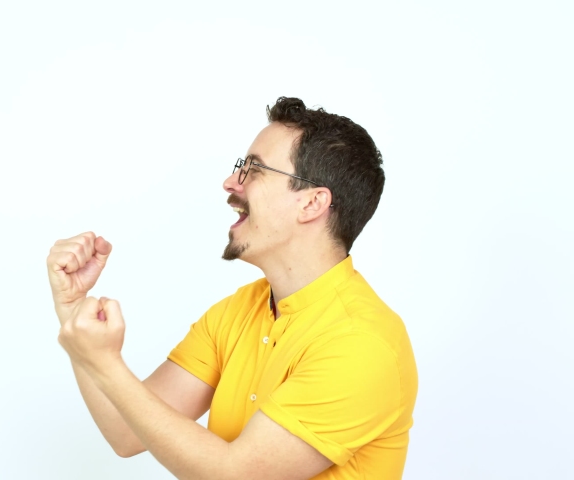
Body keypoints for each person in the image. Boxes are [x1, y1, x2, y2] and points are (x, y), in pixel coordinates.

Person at [46, 97, 418, 480]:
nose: (230, 182)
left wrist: (105, 362)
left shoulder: (362, 343)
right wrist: (73, 309)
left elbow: (235, 475)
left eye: (254, 169)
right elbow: (126, 433)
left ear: (311, 203)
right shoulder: (237, 312)